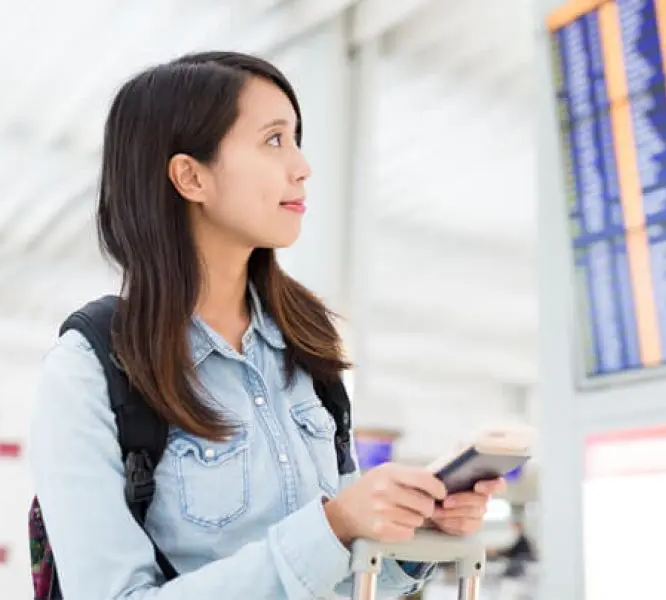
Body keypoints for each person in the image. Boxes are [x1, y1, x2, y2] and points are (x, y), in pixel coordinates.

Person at [28, 51, 505, 600]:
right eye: (274, 140)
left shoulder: (306, 352)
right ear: (190, 176)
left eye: (297, 139)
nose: (301, 166)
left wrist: (419, 531)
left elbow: (349, 578)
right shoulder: (91, 369)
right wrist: (332, 527)